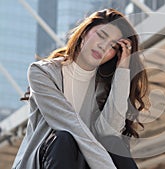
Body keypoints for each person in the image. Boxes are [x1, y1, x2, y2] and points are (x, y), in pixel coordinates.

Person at [12, 8, 149, 169]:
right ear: (84, 32)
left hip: (84, 162)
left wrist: (123, 69)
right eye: (101, 35)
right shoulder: (43, 72)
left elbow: (108, 133)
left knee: (114, 144)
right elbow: (70, 125)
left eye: (113, 46)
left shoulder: (103, 86)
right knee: (65, 138)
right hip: (44, 161)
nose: (103, 46)